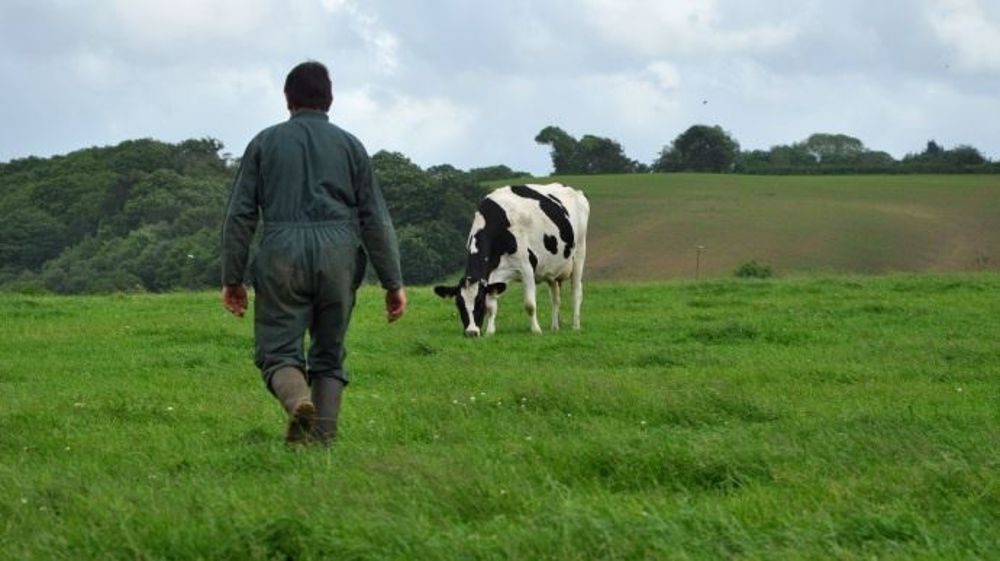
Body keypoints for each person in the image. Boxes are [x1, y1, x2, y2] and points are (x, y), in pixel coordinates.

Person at [221, 61, 406, 445]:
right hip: (338, 256)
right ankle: (321, 443)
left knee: (278, 353)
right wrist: (393, 282)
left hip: (281, 253)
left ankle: (298, 402)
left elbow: (240, 215)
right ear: (330, 100)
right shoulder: (351, 145)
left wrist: (232, 278)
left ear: (288, 100)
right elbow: (375, 217)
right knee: (329, 354)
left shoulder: (264, 143)